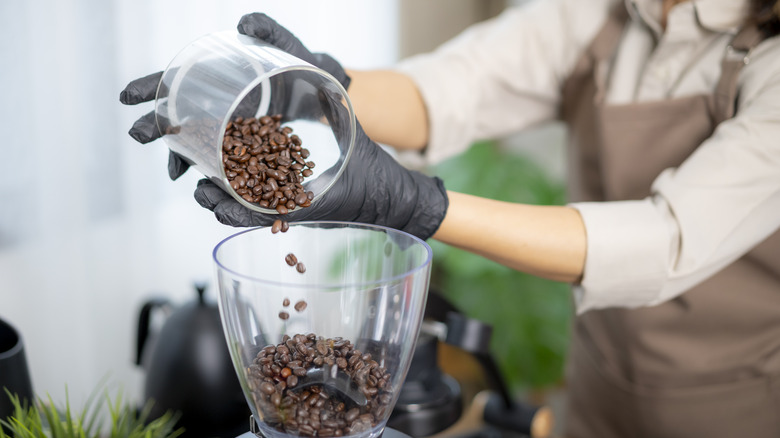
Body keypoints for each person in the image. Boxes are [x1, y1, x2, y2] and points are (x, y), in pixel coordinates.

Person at [121, 0, 780, 436]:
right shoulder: (609, 10)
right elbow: (450, 89)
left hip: (730, 407)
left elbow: (663, 241)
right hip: (595, 389)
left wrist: (419, 206)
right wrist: (314, 89)